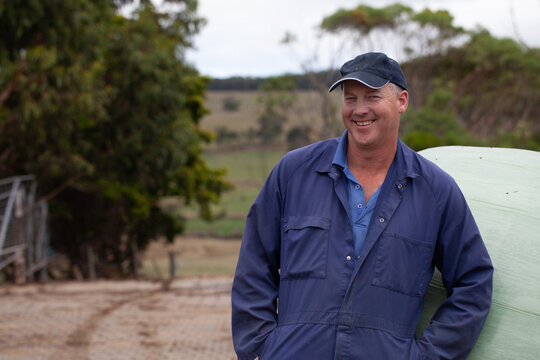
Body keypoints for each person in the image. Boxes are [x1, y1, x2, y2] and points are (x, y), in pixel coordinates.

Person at [231, 52, 493, 360]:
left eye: (372, 97)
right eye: (350, 98)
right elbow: (254, 266)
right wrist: (260, 347)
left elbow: (473, 283)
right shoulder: (293, 173)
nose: (359, 109)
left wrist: (428, 356)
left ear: (402, 101)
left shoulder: (436, 191)